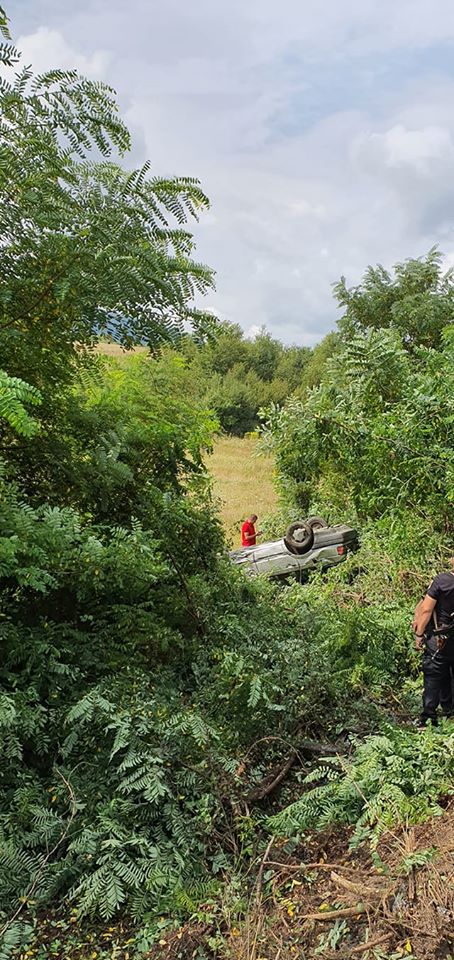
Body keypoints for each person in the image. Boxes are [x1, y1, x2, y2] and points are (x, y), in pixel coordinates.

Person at [412, 556, 454, 727]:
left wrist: (419, 634)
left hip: (441, 639)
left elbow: (426, 609)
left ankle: (428, 717)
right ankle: (450, 712)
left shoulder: (443, 581)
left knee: (434, 674)